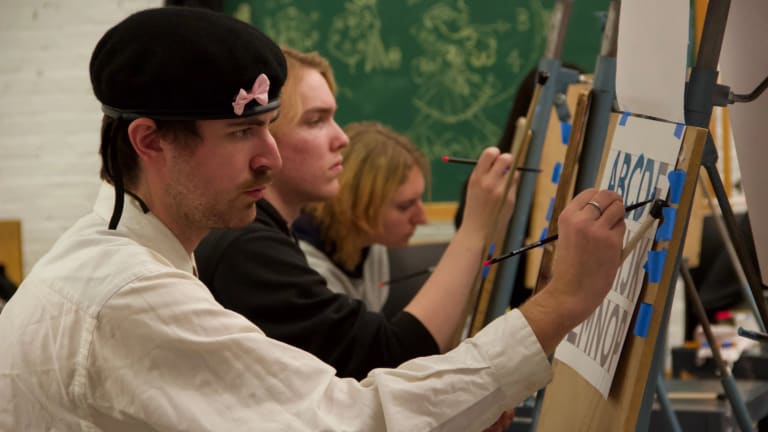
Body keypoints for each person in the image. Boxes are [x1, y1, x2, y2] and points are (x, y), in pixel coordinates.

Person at [0, 8, 627, 431]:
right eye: (242, 131)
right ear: (150, 141)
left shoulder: (115, 252)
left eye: (270, 128)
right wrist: (566, 299)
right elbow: (348, 419)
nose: (269, 157)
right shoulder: (130, 293)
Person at [196, 47, 521, 380]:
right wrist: (476, 229)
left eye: (333, 117)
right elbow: (387, 360)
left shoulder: (268, 234)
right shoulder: (248, 248)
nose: (342, 138)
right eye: (315, 120)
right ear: (262, 135)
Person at [293, 121, 430, 312]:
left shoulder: (371, 243)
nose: (422, 219)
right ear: (358, 206)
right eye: (405, 206)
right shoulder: (306, 268)